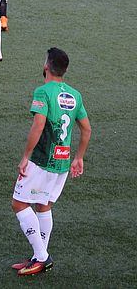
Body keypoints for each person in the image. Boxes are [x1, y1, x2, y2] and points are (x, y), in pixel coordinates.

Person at [10, 47, 91, 276]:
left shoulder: (43, 92)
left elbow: (38, 125)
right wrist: (79, 157)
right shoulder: (75, 95)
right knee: (43, 204)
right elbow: (86, 129)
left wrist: (25, 156)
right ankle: (38, 255)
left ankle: (43, 257)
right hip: (62, 162)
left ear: (46, 67)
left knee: (18, 203)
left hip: (42, 159)